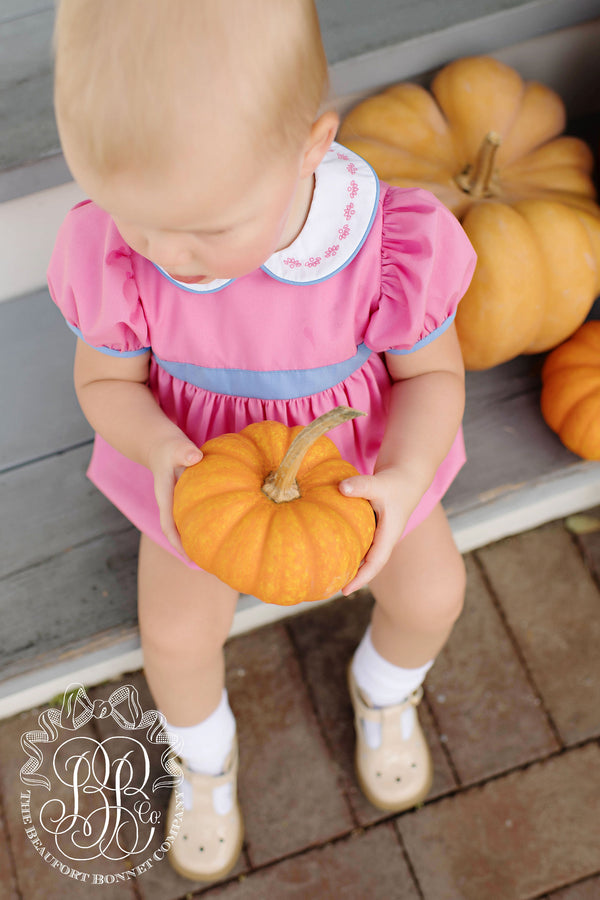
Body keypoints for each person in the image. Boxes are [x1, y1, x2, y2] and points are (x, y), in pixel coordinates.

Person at [49, 0, 476, 883]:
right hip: (198, 472)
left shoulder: (381, 243)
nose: (169, 253)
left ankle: (385, 689)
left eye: (207, 229)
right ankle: (205, 759)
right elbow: (105, 384)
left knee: (434, 592)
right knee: (174, 635)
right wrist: (157, 446)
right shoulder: (125, 254)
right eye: (137, 220)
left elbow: (433, 377)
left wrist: (405, 475)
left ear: (311, 148)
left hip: (355, 463)